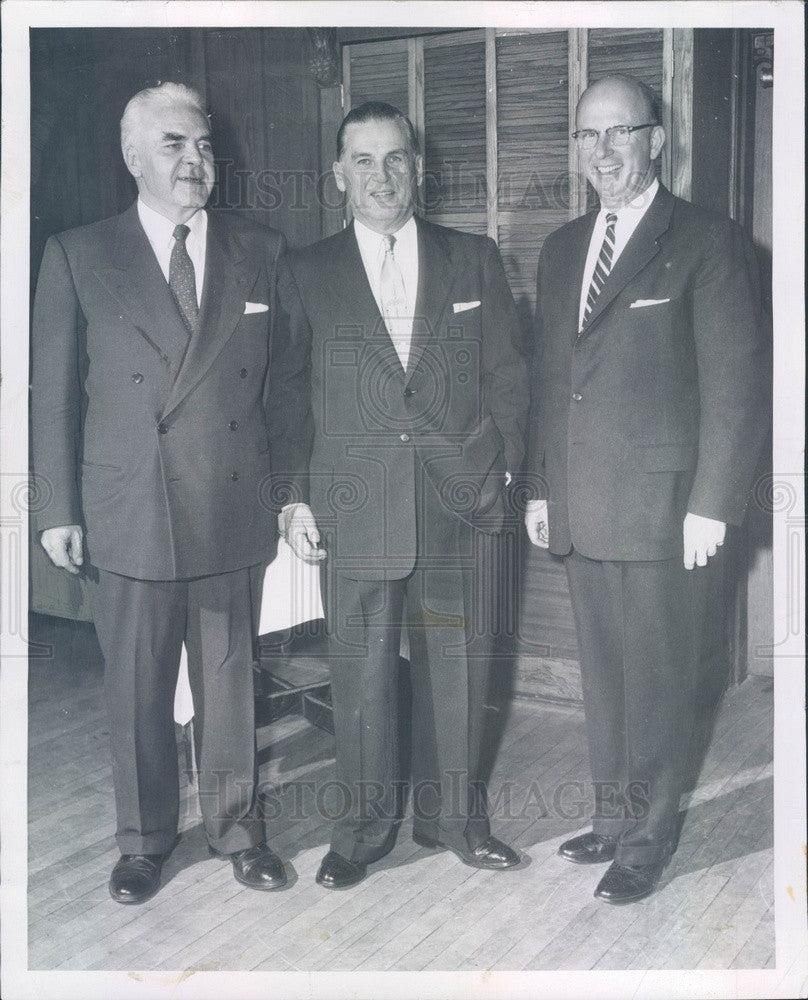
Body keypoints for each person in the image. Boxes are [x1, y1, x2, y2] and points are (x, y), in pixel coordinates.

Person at [32, 82, 293, 904]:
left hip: (229, 499)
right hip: (127, 506)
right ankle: (144, 841)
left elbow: (286, 386)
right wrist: (57, 511)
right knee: (136, 685)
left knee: (228, 680)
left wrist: (288, 492)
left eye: (205, 146)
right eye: (175, 144)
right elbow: (52, 394)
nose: (195, 161)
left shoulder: (261, 250)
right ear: (133, 156)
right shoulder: (78, 252)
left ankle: (236, 830)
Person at [524, 75, 768, 904]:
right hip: (581, 506)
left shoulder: (706, 239)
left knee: (658, 680)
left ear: (656, 140)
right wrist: (538, 486)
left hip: (667, 510)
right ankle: (613, 817)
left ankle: (648, 843)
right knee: (605, 678)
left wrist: (714, 500)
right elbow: (550, 384)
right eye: (588, 137)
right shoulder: (561, 250)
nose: (603, 153)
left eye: (620, 133)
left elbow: (736, 385)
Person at [275, 101, 530, 889]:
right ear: (339, 176)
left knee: (458, 669)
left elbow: (511, 377)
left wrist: (504, 472)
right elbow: (286, 395)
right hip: (354, 506)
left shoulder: (473, 257)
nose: (380, 176)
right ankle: (360, 831)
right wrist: (294, 496)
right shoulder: (305, 271)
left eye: (396, 159)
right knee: (360, 678)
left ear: (419, 168)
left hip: (460, 503)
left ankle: (454, 819)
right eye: (363, 160)